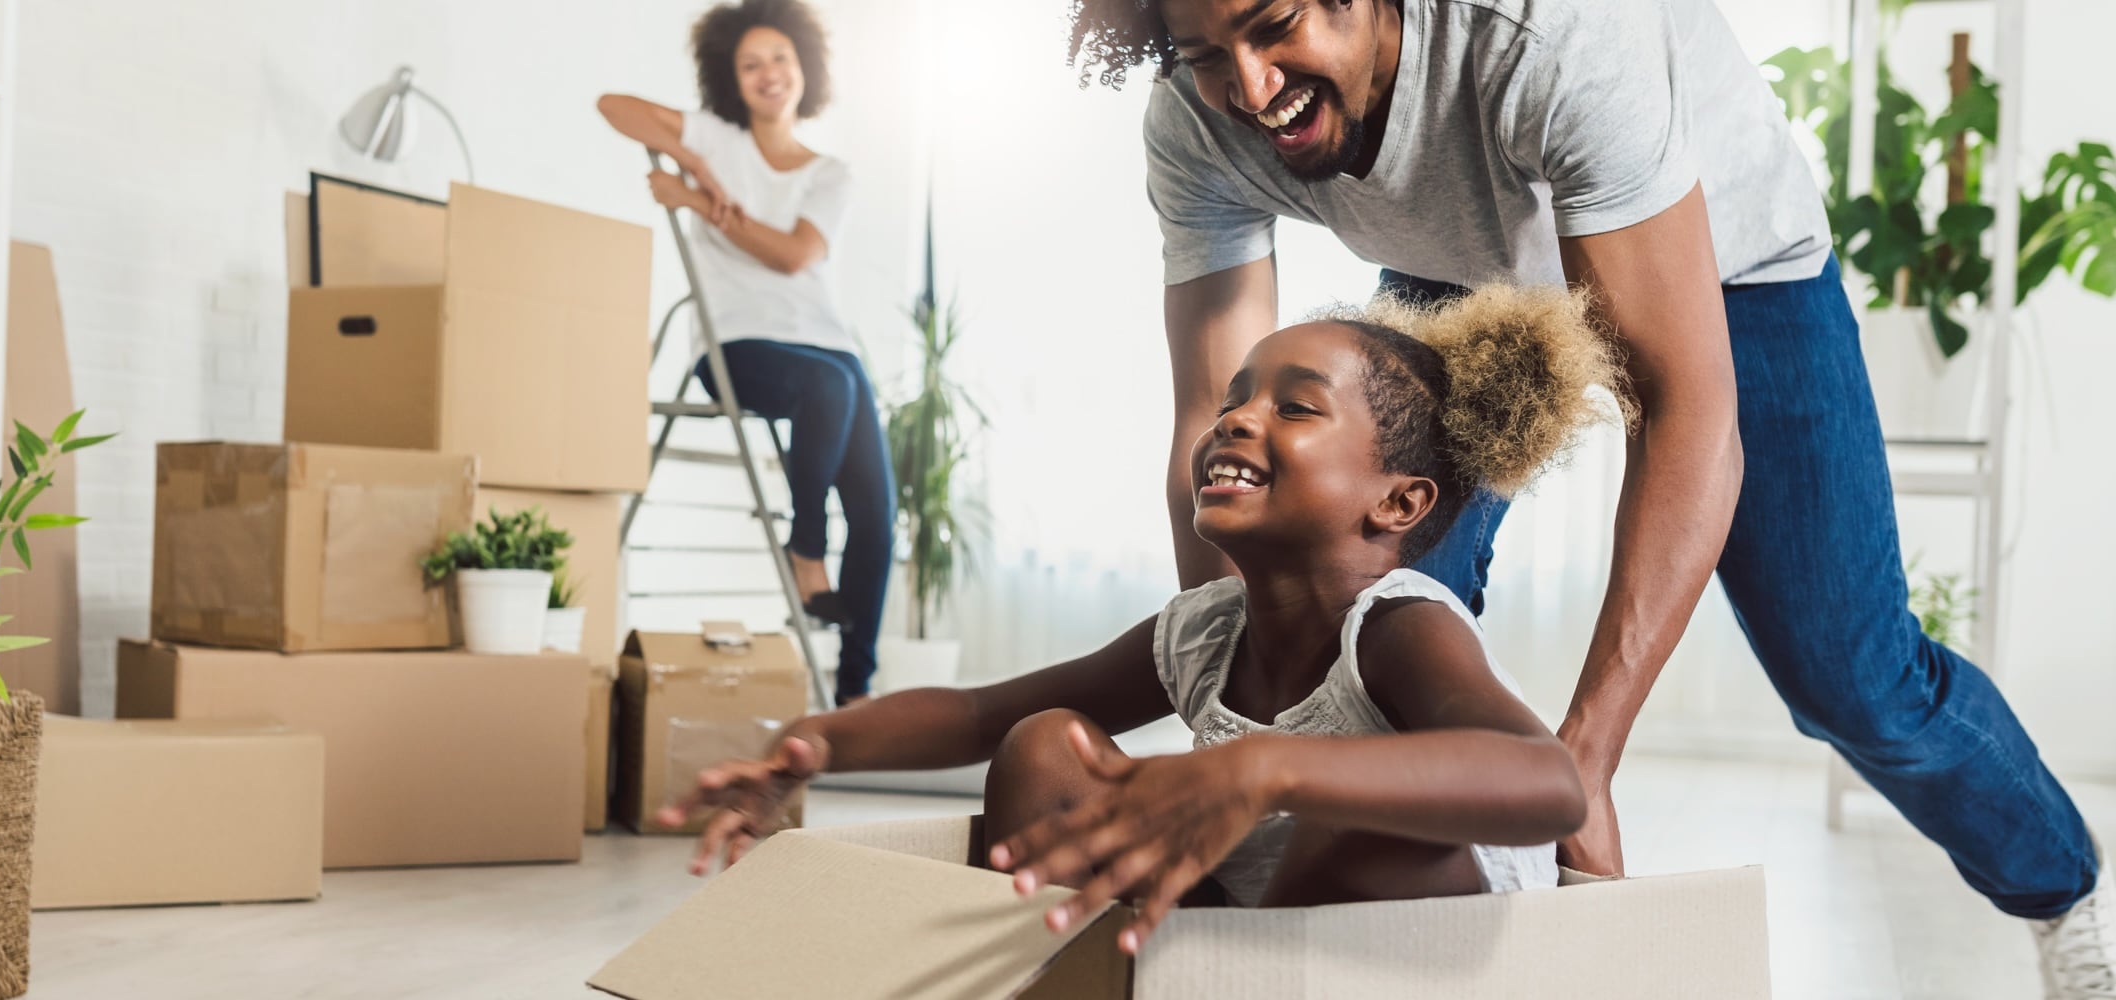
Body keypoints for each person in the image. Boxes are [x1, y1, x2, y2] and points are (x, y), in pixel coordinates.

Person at [1067, 0, 2111, 992]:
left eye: (1275, 25)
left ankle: (2066, 892)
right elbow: (1212, 419)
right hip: (1452, 263)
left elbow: (1683, 406)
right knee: (1358, 602)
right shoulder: (1196, 114)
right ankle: (1378, 947)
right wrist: (1232, 715)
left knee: (1853, 677)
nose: (1248, 87)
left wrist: (1586, 756)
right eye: (1203, 52)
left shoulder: (1547, 30)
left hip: (1729, 267)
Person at [660, 284, 1622, 952]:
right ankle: (1074, 976)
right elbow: (978, 717)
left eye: (1295, 408)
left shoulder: (1401, 625)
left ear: (1398, 505)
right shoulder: (1205, 630)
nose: (1238, 419)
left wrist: (1263, 766)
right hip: (1250, 915)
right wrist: (817, 743)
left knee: (1346, 825)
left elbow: (1546, 784)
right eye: (1237, 398)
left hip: (1423, 932)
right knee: (1047, 748)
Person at [598, 0, 893, 705]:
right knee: (829, 384)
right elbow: (611, 105)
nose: (768, 73)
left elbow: (794, 256)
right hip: (736, 348)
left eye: (780, 59)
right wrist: (695, 159)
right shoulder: (714, 137)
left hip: (826, 352)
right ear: (731, 76)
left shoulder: (830, 173)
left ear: (804, 68)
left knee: (878, 519)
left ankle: (855, 693)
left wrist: (700, 202)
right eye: (750, 63)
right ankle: (806, 548)